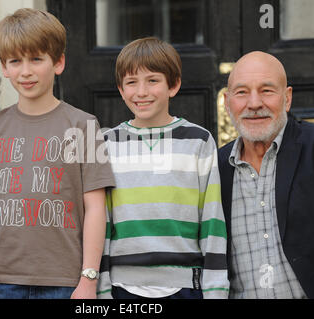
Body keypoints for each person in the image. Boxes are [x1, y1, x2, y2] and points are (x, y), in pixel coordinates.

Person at [0, 8, 115, 299]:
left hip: (65, 281)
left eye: (36, 59)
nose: (26, 71)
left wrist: (88, 279)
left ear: (58, 62)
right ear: (5, 68)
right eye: (16, 61)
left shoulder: (84, 126)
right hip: (2, 281)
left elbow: (96, 209)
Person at [97, 37, 229, 299]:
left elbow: (212, 220)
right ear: (121, 90)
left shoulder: (198, 140)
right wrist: (101, 289)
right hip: (123, 288)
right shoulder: (107, 143)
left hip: (186, 287)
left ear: (174, 84)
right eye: (131, 82)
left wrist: (216, 291)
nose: (141, 92)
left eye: (153, 80)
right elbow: (102, 223)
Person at [219, 51, 314, 299]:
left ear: (287, 98)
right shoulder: (216, 167)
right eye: (242, 92)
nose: (254, 104)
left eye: (266, 90)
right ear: (227, 101)